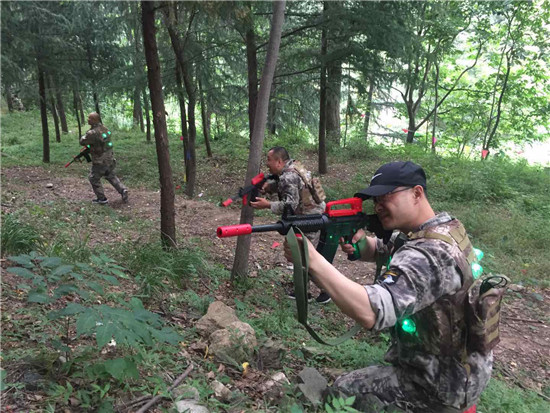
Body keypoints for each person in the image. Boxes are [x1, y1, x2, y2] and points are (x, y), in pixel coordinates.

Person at [283, 161, 492, 412]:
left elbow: (372, 311)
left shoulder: (431, 253)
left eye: (387, 196)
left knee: (342, 391)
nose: (379, 206)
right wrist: (364, 246)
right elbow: (392, 249)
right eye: (376, 200)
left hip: (440, 384)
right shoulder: (443, 229)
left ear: (417, 193)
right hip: (461, 366)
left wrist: (312, 260)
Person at [250, 146, 331, 304]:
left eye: (269, 160)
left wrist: (268, 205)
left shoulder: (288, 176)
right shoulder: (293, 167)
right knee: (304, 255)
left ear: (279, 162)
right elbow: (296, 188)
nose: (267, 164)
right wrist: (271, 187)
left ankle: (323, 291)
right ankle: (305, 290)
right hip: (313, 215)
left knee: (305, 256)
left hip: (310, 219)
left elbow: (290, 205)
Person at [80, 112, 128, 205]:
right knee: (110, 175)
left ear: (95, 120)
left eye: (90, 118)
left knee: (93, 178)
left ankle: (102, 199)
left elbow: (82, 141)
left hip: (100, 160)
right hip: (109, 158)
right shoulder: (105, 129)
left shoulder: (92, 133)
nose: (88, 120)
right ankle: (123, 190)